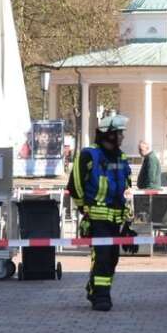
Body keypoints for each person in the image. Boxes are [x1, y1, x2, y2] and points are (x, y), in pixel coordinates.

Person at [68, 113, 131, 312]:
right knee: (102, 256)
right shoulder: (89, 154)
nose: (122, 137)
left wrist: (127, 220)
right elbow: (75, 185)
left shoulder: (121, 157)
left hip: (116, 218)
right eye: (119, 133)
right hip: (97, 218)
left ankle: (95, 287)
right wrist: (84, 209)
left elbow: (124, 187)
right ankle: (101, 298)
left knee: (113, 257)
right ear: (109, 135)